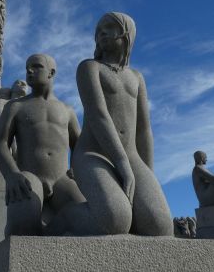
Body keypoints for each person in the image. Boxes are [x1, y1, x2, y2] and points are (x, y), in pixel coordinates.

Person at [48, 12, 173, 236]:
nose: (102, 32)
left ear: (127, 34)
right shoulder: (89, 68)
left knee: (159, 224)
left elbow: (144, 129)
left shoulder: (136, 77)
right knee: (116, 220)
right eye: (99, 29)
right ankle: (66, 216)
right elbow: (98, 115)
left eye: (110, 27)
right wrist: (122, 164)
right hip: (94, 154)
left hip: (131, 156)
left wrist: (148, 175)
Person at [0, 54, 85, 236]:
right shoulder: (15, 106)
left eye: (36, 66)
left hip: (61, 180)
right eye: (27, 67)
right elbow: (1, 143)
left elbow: (80, 146)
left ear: (51, 73)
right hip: (29, 178)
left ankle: (49, 231)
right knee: (21, 230)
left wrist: (77, 169)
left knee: (86, 220)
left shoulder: (67, 111)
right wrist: (12, 175)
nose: (29, 70)